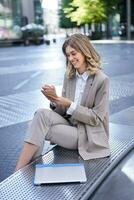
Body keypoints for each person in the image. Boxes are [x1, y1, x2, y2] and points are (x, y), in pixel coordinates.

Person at [15, 33, 110, 171]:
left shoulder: (101, 80)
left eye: (73, 53)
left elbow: (96, 118)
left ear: (85, 51)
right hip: (70, 125)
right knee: (41, 114)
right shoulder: (70, 77)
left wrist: (68, 104)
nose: (71, 59)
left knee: (36, 127)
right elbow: (63, 112)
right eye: (68, 55)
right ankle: (23, 169)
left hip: (88, 134)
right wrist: (54, 100)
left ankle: (21, 170)